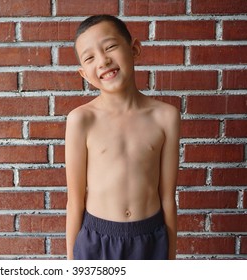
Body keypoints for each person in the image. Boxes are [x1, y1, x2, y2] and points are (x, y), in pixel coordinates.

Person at [65, 15, 180, 260]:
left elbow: (168, 197)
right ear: (84, 74)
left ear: (134, 49)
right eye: (90, 58)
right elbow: (74, 202)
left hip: (150, 238)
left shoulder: (166, 117)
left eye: (110, 47)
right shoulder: (81, 120)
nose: (103, 60)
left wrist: (171, 261)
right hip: (96, 241)